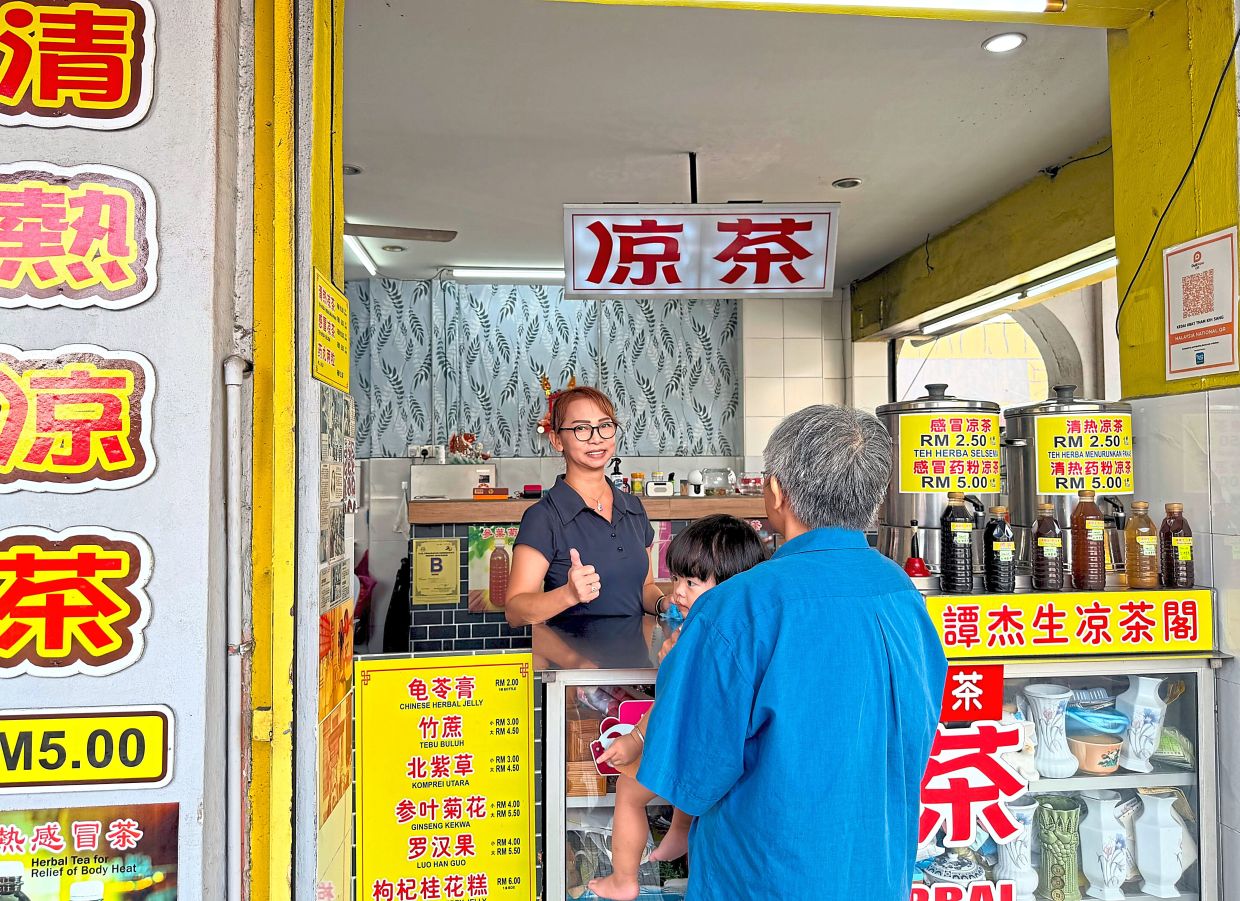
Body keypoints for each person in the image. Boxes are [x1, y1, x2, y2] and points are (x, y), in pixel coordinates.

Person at [637, 405, 948, 901]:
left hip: (761, 880)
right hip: (877, 875)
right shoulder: (901, 593)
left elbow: (691, 775)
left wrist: (677, 664)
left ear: (776, 492)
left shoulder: (739, 607)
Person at [588, 515, 767, 901]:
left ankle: (623, 879)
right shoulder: (740, 626)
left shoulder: (700, 637)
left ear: (732, 585)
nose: (678, 593)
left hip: (698, 752)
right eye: (677, 580)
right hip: (710, 752)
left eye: (692, 582)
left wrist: (636, 740)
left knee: (628, 792)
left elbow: (672, 703)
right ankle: (680, 831)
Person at [506, 386, 669, 627]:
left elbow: (644, 587)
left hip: (632, 659)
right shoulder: (543, 517)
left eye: (605, 425)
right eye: (581, 428)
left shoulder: (633, 507)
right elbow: (514, 612)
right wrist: (568, 595)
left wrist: (663, 604)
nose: (596, 437)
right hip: (572, 661)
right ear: (557, 440)